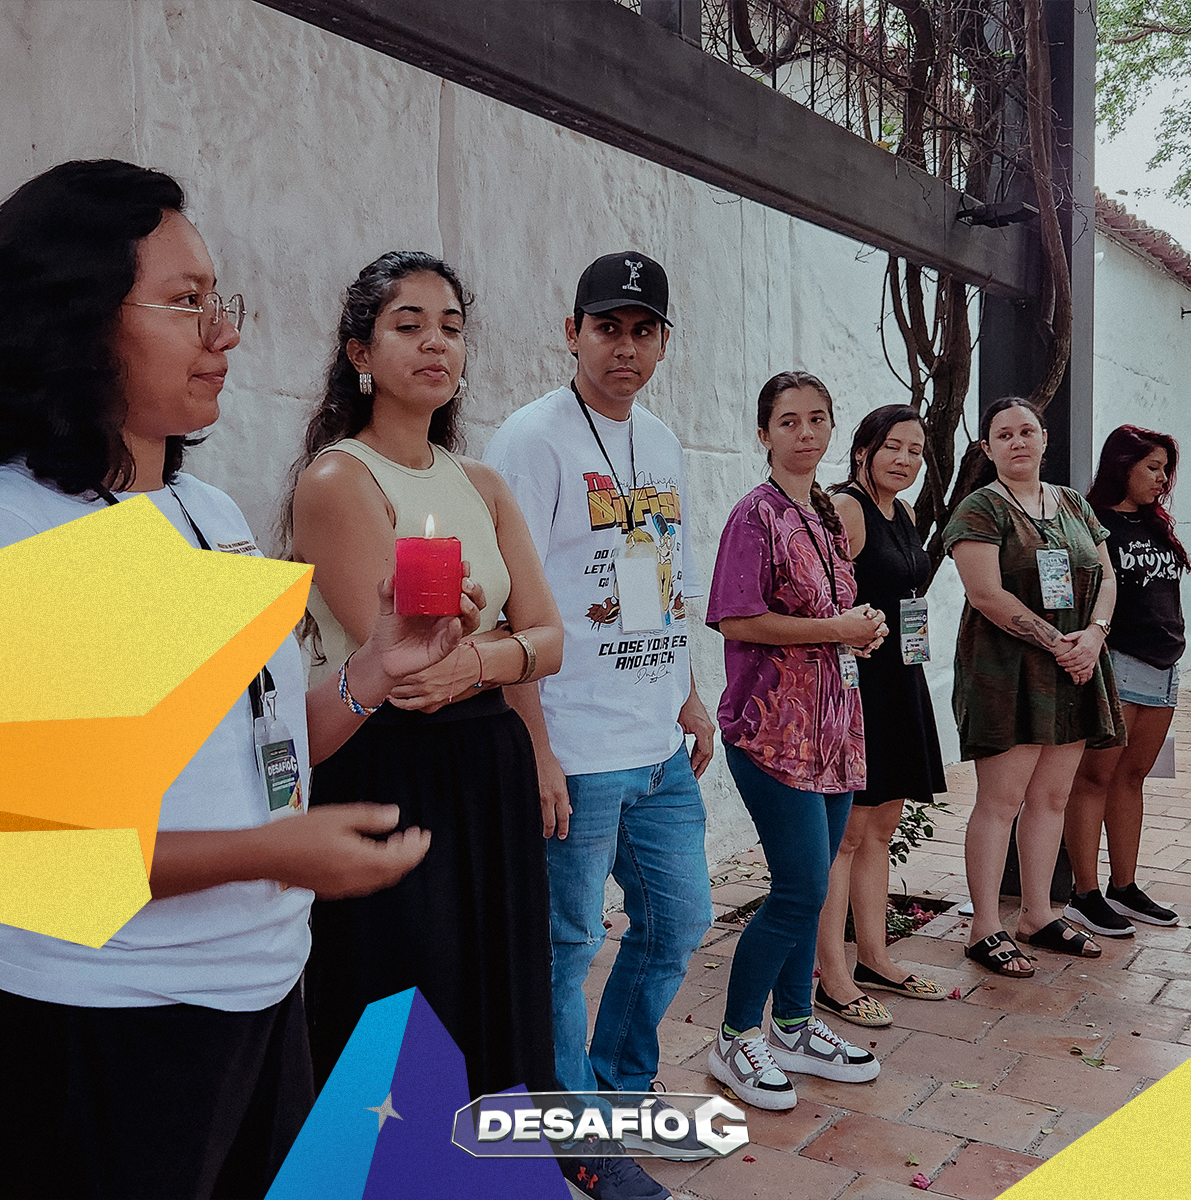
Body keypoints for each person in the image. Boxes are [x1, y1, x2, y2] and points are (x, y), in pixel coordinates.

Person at [0, 160, 479, 1200]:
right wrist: (273, 853)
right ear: (72, 318)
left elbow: (254, 747)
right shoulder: (23, 533)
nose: (224, 332)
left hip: (261, 994)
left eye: (219, 299)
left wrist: (375, 666)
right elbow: (45, 852)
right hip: (113, 1023)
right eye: (183, 303)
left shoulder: (202, 513)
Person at [287, 251, 564, 1101]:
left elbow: (552, 640)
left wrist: (535, 744)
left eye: (450, 328)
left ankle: (500, 1167)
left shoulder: (481, 481)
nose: (434, 345)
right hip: (390, 762)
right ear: (360, 354)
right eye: (407, 326)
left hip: (491, 763)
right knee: (407, 991)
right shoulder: (339, 478)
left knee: (502, 979)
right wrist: (500, 651)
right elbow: (406, 670)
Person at [483, 252, 713, 1199]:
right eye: (607, 326)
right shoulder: (530, 441)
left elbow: (665, 579)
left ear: (662, 342)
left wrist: (689, 694)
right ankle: (574, 1135)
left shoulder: (660, 442)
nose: (625, 345)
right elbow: (508, 612)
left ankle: (615, 1093)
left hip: (657, 741)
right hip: (574, 746)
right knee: (567, 944)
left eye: (643, 329)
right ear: (570, 331)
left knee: (678, 922)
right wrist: (534, 743)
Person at [705, 371, 885, 1111]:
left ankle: (795, 1022)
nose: (804, 433)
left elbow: (832, 616)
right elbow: (736, 620)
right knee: (801, 889)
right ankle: (735, 1035)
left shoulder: (826, 514)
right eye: (788, 421)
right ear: (764, 433)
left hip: (835, 730)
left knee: (812, 892)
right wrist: (834, 630)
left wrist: (859, 631)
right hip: (771, 732)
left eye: (817, 419)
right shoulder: (756, 515)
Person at [945, 396, 1124, 980]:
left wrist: (1094, 636)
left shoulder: (1072, 503)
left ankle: (1037, 913)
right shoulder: (980, 509)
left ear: (1045, 439)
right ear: (987, 448)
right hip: (1006, 674)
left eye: (1027, 431)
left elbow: (1106, 573)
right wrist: (1062, 645)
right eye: (1004, 435)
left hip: (1074, 666)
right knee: (1001, 802)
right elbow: (987, 595)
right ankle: (984, 927)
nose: (1018, 442)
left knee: (1050, 799)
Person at [813, 406, 948, 1027]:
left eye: (915, 451)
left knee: (879, 832)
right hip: (858, 686)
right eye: (893, 446)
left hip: (901, 682)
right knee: (843, 836)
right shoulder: (847, 509)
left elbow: (908, 596)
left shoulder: (907, 513)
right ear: (864, 449)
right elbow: (827, 601)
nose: (904, 459)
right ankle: (832, 977)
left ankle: (874, 957)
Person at [1064, 426, 1190, 935]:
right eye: (1153, 468)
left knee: (1133, 778)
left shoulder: (1156, 524)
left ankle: (1125, 886)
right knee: (1093, 778)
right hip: (1118, 662)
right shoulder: (1093, 522)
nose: (1162, 479)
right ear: (1123, 465)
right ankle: (1084, 894)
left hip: (1165, 665)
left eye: (1165, 470)